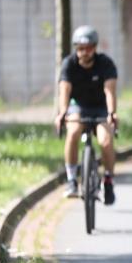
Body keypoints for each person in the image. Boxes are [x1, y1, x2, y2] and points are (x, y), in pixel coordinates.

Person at [54, 25, 119, 204]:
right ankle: (72, 180)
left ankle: (108, 181)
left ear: (95, 48)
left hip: (100, 108)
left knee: (106, 140)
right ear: (76, 49)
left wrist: (112, 113)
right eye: (81, 49)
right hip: (78, 107)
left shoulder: (105, 63)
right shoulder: (69, 64)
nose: (85, 52)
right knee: (73, 131)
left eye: (89, 48)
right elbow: (64, 90)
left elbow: (110, 91)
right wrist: (62, 113)